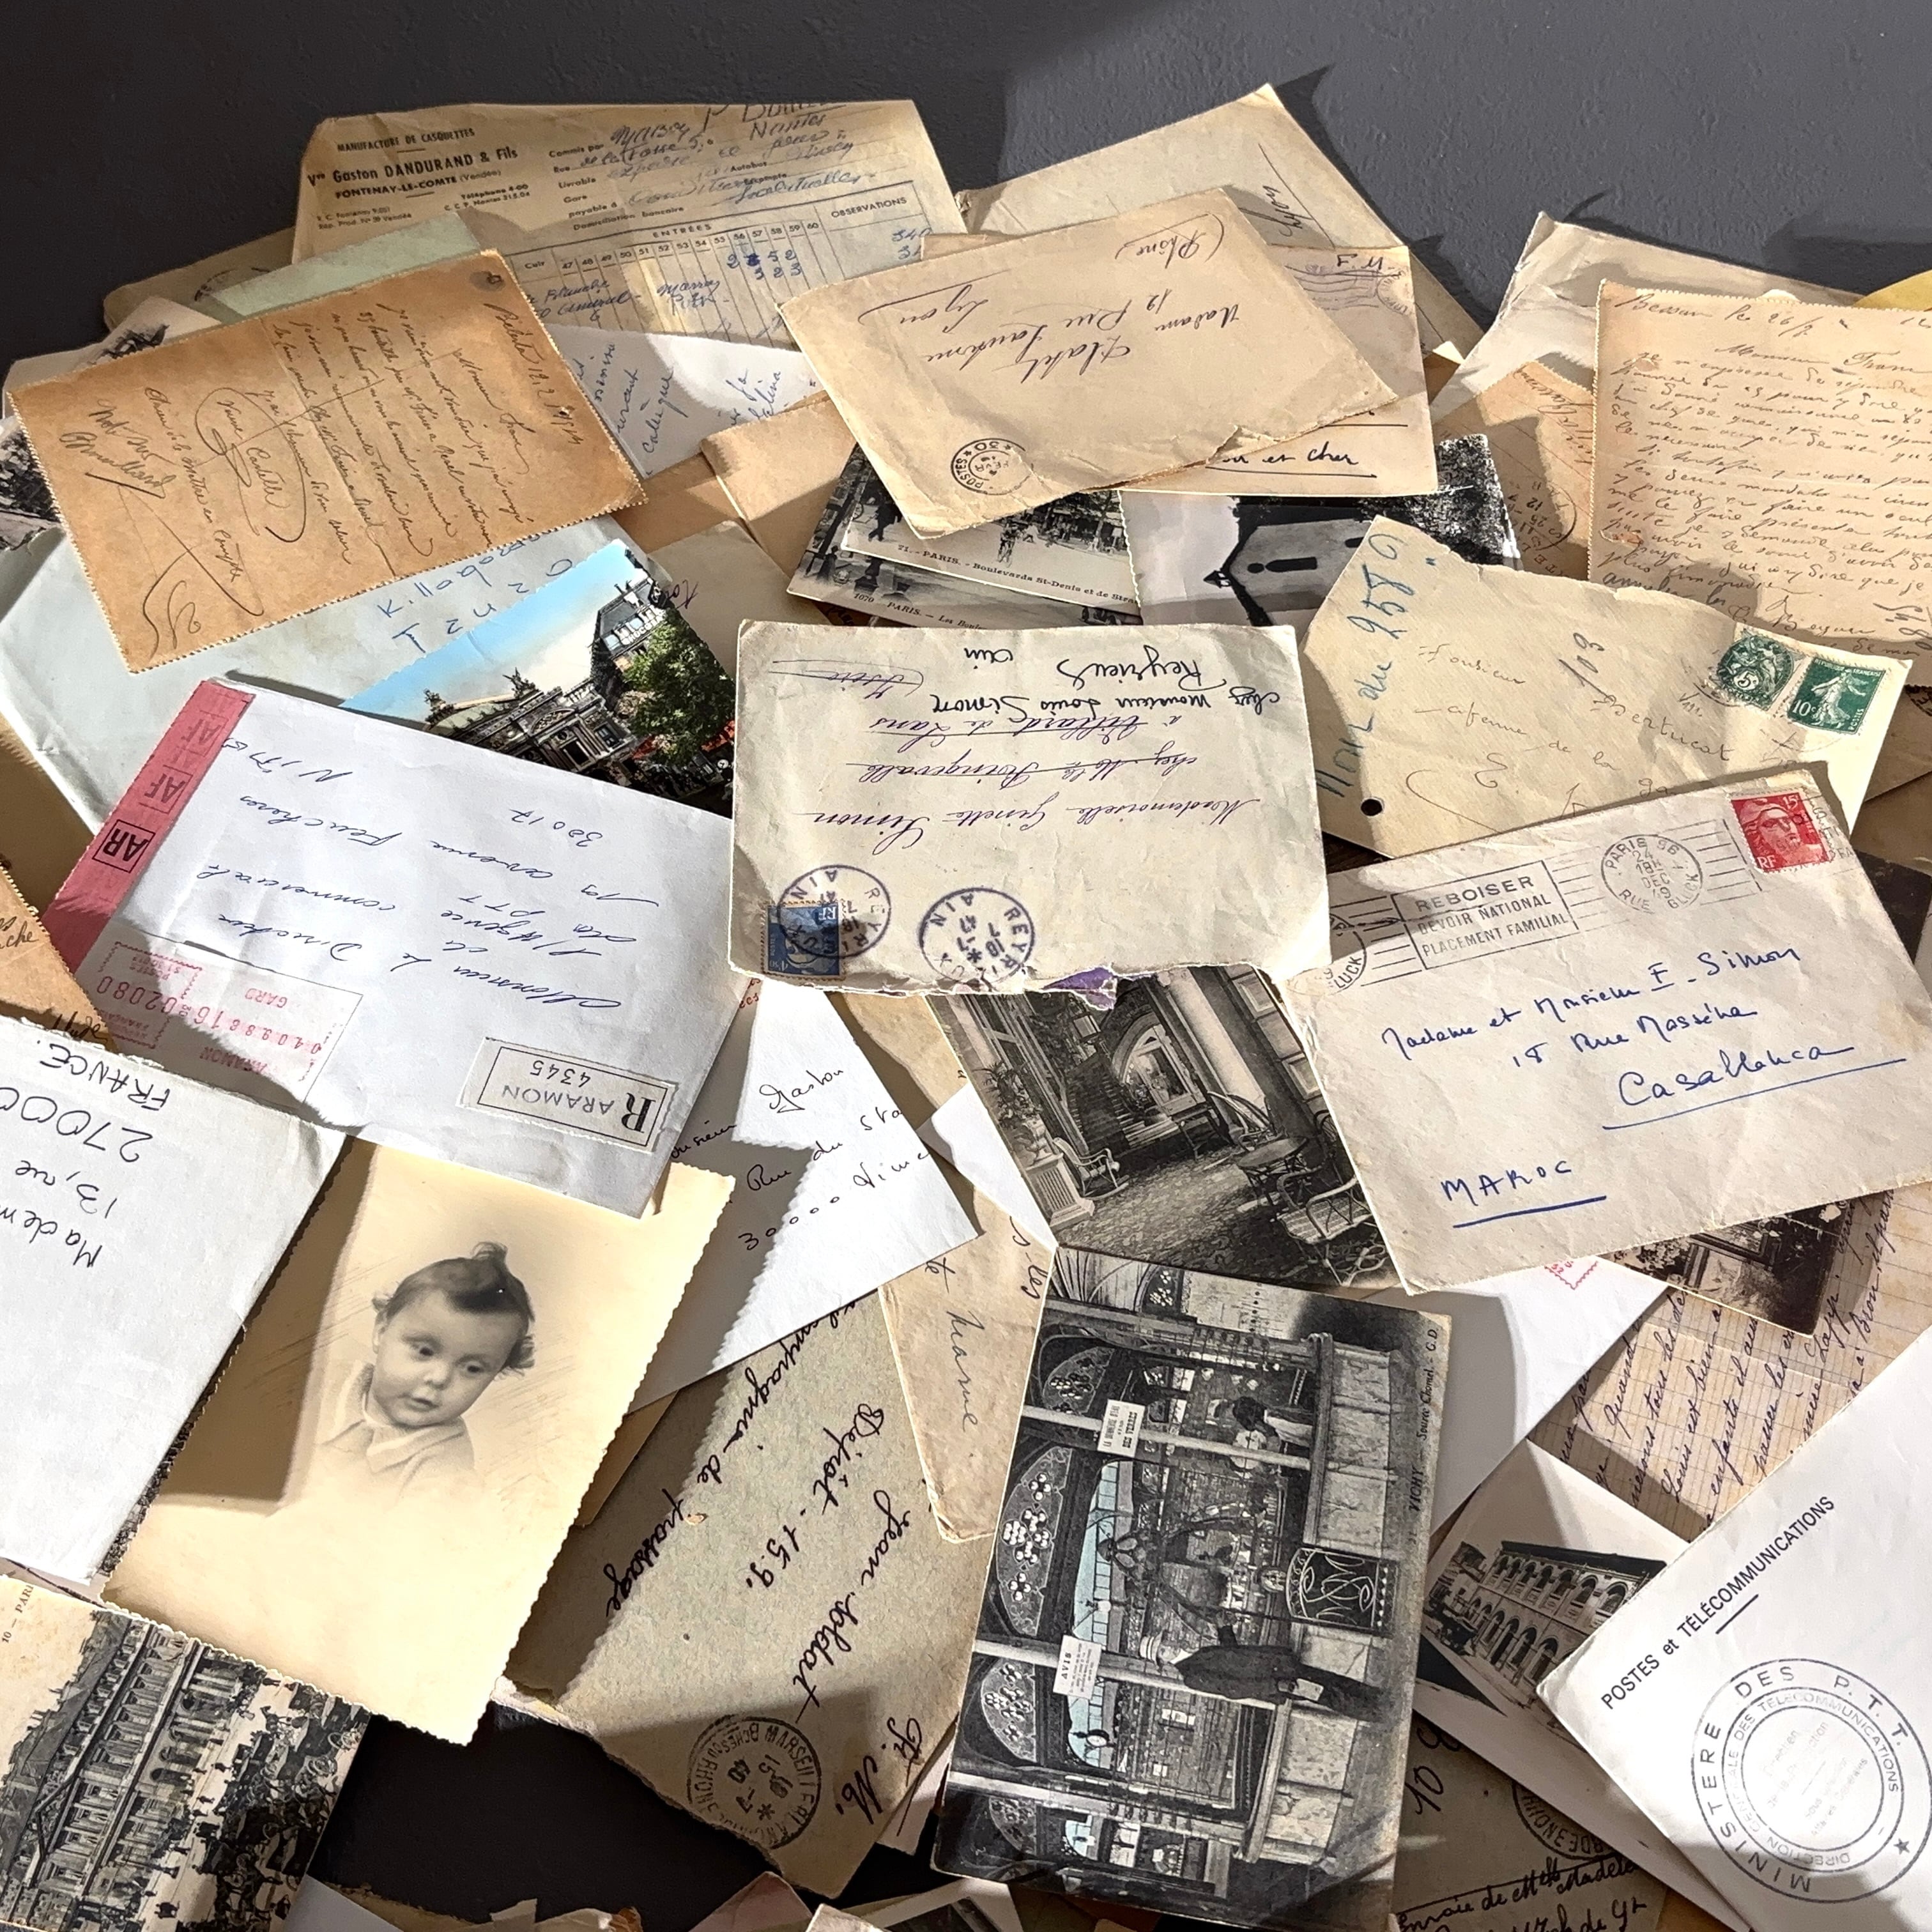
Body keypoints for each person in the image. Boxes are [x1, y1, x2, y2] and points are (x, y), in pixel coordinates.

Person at [307, 1241, 534, 1510]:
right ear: (382, 1331)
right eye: (425, 1351)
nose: (440, 1378)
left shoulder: (445, 1470)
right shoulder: (323, 1383)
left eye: (472, 1368)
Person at [1174, 1625, 1388, 1721]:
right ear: (1163, 1660)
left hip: (1278, 1666)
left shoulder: (1197, 1655)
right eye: (1163, 1650)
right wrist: (1274, 1686)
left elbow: (1234, 1659)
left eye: (1166, 1642)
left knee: (1332, 1681)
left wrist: (1225, 1630)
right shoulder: (1191, 1676)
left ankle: (1381, 1698)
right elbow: (1232, 1688)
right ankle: (1379, 1713)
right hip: (1276, 1680)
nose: (1170, 1645)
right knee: (1328, 1695)